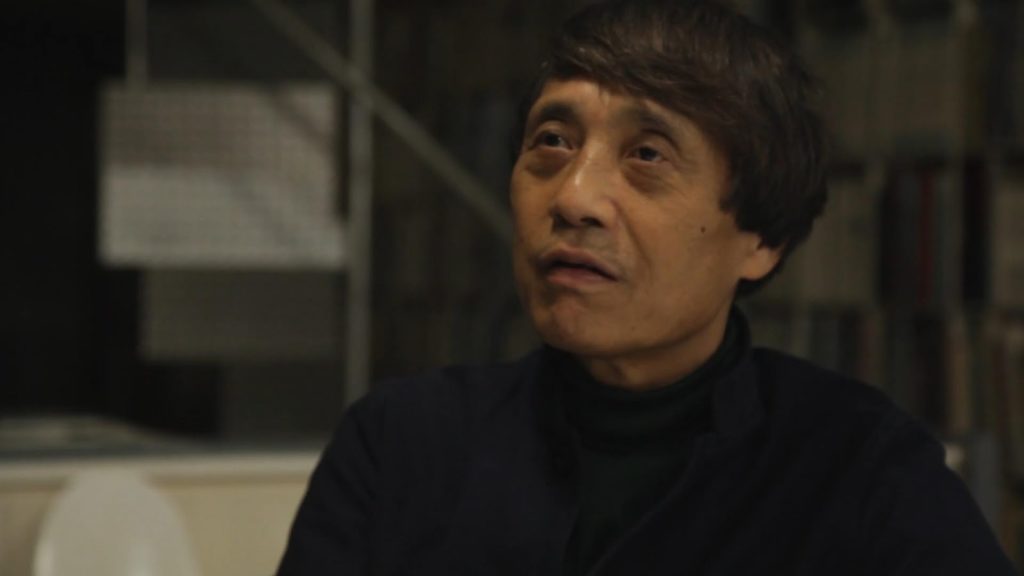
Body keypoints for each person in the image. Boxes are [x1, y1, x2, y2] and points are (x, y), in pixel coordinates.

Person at [277, 1, 1016, 574]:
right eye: (552, 142)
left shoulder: (863, 471)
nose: (574, 198)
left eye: (648, 155)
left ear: (760, 241)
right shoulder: (402, 445)